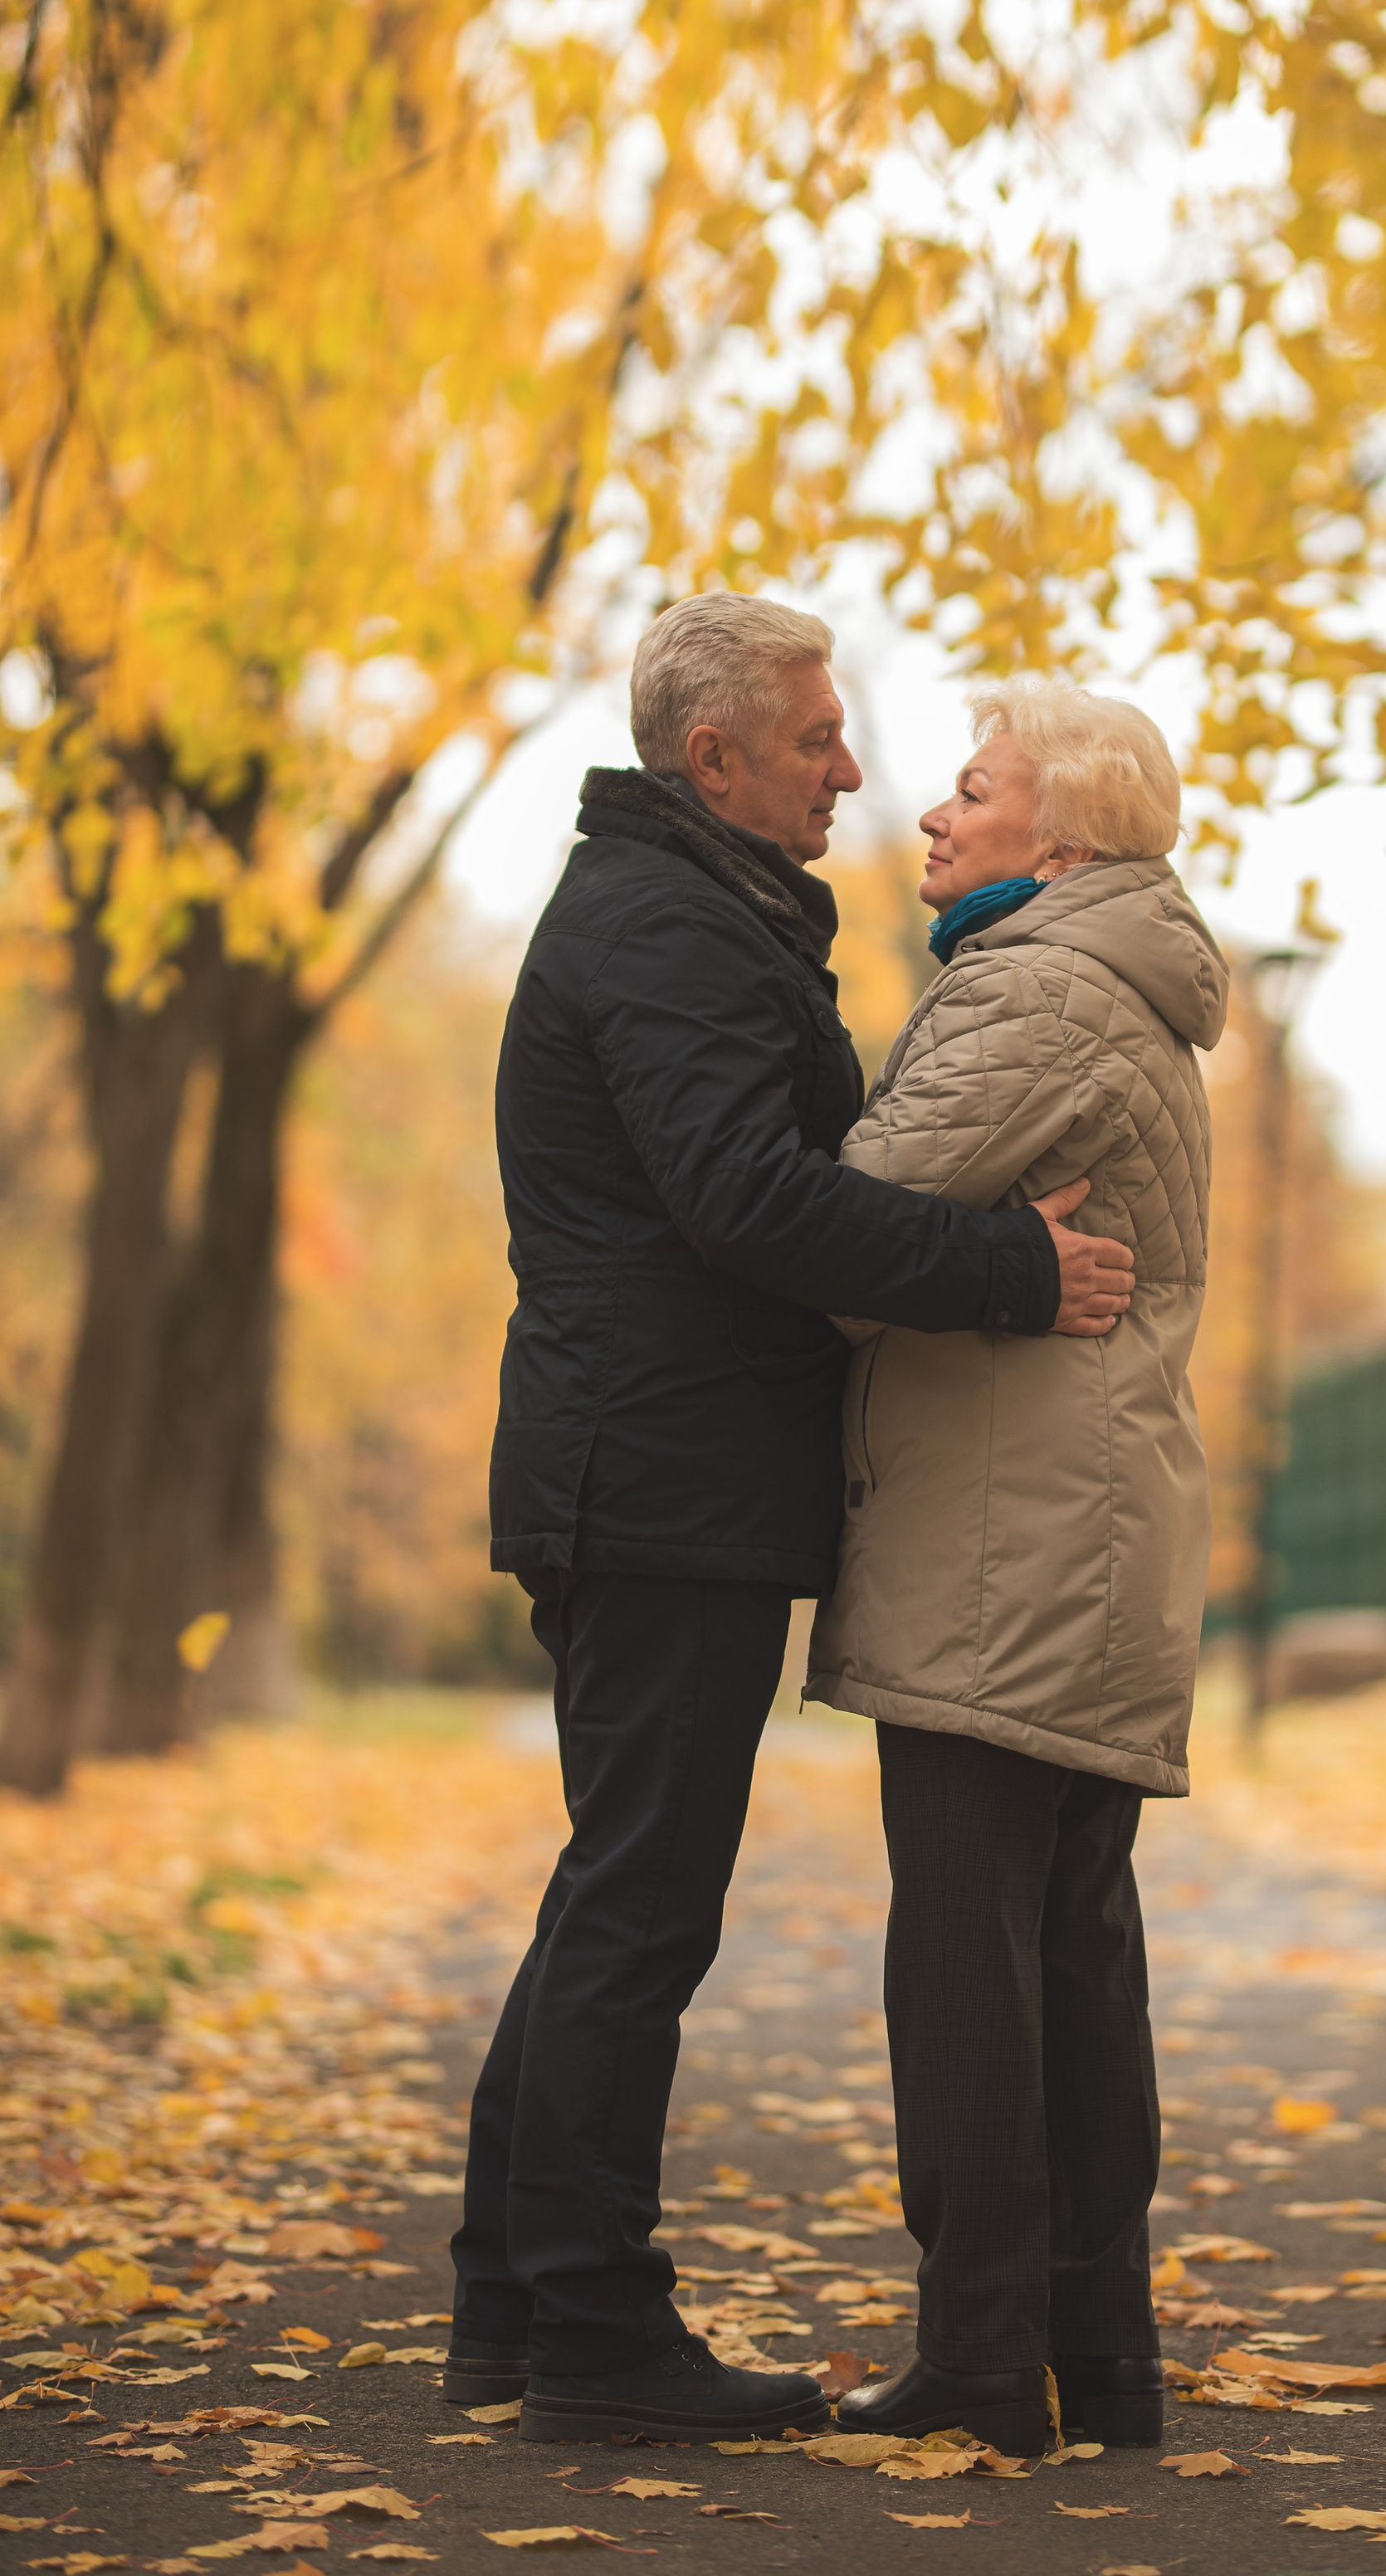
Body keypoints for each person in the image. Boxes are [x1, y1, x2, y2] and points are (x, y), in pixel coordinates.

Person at [444, 598, 1136, 2451]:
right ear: (716, 760)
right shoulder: (665, 923)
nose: (850, 766)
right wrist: (1006, 1264)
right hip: (658, 1487)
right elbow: (755, 1200)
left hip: (661, 1474)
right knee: (639, 1906)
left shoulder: (700, 908)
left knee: (619, 1887)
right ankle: (587, 2326)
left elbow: (781, 1176)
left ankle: (515, 2303)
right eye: (817, 737)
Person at [806, 675, 1228, 2458]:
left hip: (1008, 1546)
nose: (931, 817)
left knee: (971, 1963)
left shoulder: (1033, 988)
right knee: (1068, 1953)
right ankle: (1097, 2357)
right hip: (1086, 1530)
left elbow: (837, 1225)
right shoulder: (1115, 982)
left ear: (1058, 837)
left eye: (968, 792)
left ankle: (983, 2365)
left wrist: (947, 1248)